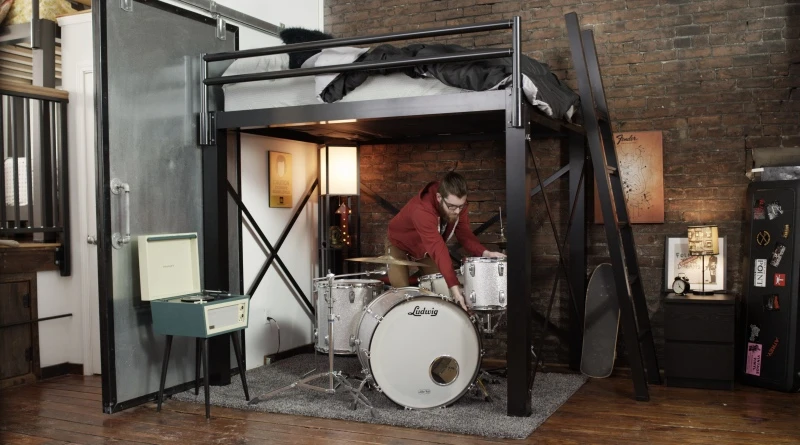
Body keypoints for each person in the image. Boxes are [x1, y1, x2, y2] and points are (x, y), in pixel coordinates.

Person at [386, 172, 506, 311]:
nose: (457, 211)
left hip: (424, 247)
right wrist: (455, 287)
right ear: (439, 197)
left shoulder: (457, 205)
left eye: (461, 206)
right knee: (402, 293)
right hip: (399, 243)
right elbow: (438, 247)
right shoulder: (422, 209)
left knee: (441, 287)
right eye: (452, 207)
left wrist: (485, 253)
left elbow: (465, 234)